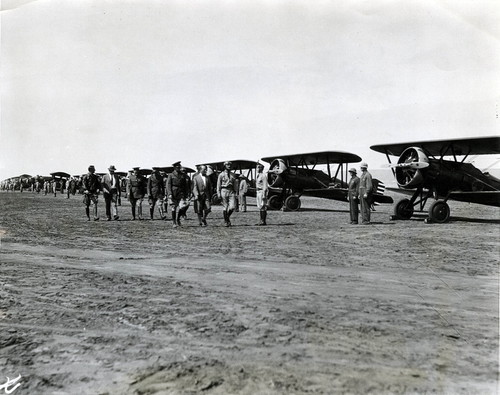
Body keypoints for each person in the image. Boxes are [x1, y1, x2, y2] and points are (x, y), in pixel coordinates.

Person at [167, 161, 188, 227]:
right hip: (173, 193)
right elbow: (168, 184)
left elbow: (185, 185)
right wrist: (169, 193)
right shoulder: (171, 175)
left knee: (182, 207)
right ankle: (174, 222)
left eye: (179, 166)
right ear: (174, 167)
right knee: (174, 207)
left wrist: (186, 193)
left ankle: (178, 219)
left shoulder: (183, 175)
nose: (179, 168)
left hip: (181, 192)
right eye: (177, 167)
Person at [217, 161, 237, 227]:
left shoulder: (233, 175)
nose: (229, 166)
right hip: (224, 190)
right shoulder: (221, 175)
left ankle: (227, 218)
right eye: (227, 165)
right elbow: (218, 185)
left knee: (232, 207)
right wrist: (218, 193)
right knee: (225, 207)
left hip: (231, 191)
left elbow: (235, 185)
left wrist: (236, 192)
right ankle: (226, 221)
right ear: (225, 166)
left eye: (230, 165)